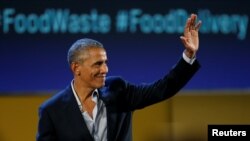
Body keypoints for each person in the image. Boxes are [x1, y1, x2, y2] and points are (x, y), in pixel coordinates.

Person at [36, 13, 202, 141]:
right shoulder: (52, 111)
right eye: (97, 64)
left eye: (105, 62)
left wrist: (188, 55)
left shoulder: (118, 90)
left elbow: (162, 89)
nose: (105, 69)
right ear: (76, 68)